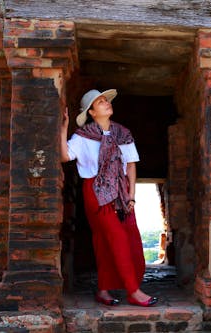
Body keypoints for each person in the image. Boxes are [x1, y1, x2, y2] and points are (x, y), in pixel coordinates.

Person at [60, 89, 158, 307]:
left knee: (126, 239)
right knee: (115, 237)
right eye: (100, 102)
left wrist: (132, 196)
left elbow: (131, 165)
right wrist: (64, 128)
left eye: (106, 100)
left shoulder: (123, 134)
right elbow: (65, 155)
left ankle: (103, 290)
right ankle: (133, 292)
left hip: (121, 193)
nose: (106, 103)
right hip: (96, 191)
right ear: (92, 112)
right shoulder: (83, 136)